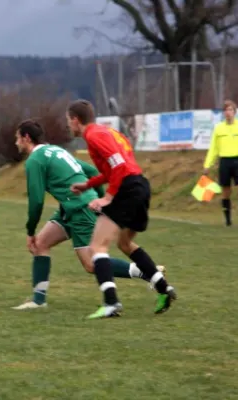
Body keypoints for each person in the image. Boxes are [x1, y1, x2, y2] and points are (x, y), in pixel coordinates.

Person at [12, 119, 166, 310]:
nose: (16, 143)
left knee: (91, 265)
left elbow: (36, 201)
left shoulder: (35, 160)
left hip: (80, 209)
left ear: (27, 138)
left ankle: (147, 272)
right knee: (41, 244)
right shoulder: (56, 151)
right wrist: (98, 197)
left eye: (17, 138)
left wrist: (29, 231)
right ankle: (38, 300)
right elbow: (91, 171)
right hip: (70, 208)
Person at [66, 99, 177, 319]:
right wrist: (88, 185)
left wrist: (108, 197)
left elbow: (118, 166)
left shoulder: (93, 135)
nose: (68, 126)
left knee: (97, 246)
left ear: (76, 120)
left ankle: (111, 303)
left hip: (126, 188)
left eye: (68, 121)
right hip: (139, 185)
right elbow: (116, 167)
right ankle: (164, 288)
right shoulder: (107, 132)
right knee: (124, 243)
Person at [203, 99, 238, 228]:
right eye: (226, 110)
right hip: (224, 162)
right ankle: (228, 220)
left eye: (231, 110)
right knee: (226, 192)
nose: (228, 112)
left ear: (235, 112)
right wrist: (207, 164)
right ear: (223, 113)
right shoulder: (219, 128)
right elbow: (213, 148)